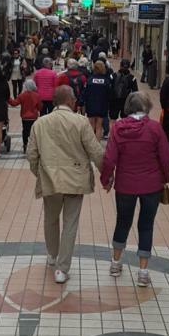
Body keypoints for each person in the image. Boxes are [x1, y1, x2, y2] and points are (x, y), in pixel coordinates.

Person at [27, 85, 104, 284]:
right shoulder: (81, 122)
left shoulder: (40, 123)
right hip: (76, 180)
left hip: (50, 179)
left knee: (50, 219)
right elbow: (95, 151)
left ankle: (52, 256)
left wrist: (40, 172)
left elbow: (31, 154)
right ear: (70, 101)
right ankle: (62, 269)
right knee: (70, 223)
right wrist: (106, 173)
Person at [100, 92, 169, 287]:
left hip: (125, 184)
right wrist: (164, 178)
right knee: (146, 225)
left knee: (123, 221)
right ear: (147, 106)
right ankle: (143, 272)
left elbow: (109, 158)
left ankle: (116, 263)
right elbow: (166, 157)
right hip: (151, 184)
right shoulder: (155, 129)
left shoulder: (117, 129)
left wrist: (106, 178)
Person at [8, 78, 42, 152]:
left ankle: (25, 145)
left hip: (25, 117)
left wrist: (8, 98)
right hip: (33, 117)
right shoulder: (37, 95)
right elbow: (39, 107)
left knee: (25, 131)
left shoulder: (22, 95)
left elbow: (14, 103)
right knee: (33, 132)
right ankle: (34, 146)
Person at [83, 60, 112, 140]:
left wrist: (82, 103)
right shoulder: (106, 81)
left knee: (91, 126)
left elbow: (85, 93)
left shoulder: (89, 80)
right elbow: (109, 94)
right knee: (99, 127)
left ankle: (91, 146)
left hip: (91, 105)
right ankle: (97, 145)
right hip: (102, 105)